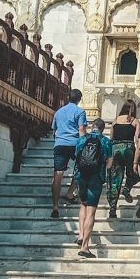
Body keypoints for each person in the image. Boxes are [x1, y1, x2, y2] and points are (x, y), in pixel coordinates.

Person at [73, 118, 113, 258]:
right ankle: (85, 247)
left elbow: (76, 156)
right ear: (102, 129)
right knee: (91, 211)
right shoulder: (105, 141)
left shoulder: (82, 139)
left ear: (92, 127)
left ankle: (80, 234)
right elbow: (109, 163)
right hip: (96, 178)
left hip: (81, 176)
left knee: (83, 205)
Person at [50, 89, 87, 218]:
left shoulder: (59, 112)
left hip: (60, 144)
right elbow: (81, 129)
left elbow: (54, 130)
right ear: (79, 99)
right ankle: (70, 193)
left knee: (58, 174)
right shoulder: (80, 112)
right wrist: (83, 145)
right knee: (79, 169)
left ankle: (55, 206)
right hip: (75, 144)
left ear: (68, 97)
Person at [107, 100, 140, 219]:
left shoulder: (115, 120)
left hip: (115, 149)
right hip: (129, 148)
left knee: (115, 180)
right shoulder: (134, 121)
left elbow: (111, 138)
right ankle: (127, 188)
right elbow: (137, 139)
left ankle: (112, 208)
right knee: (135, 173)